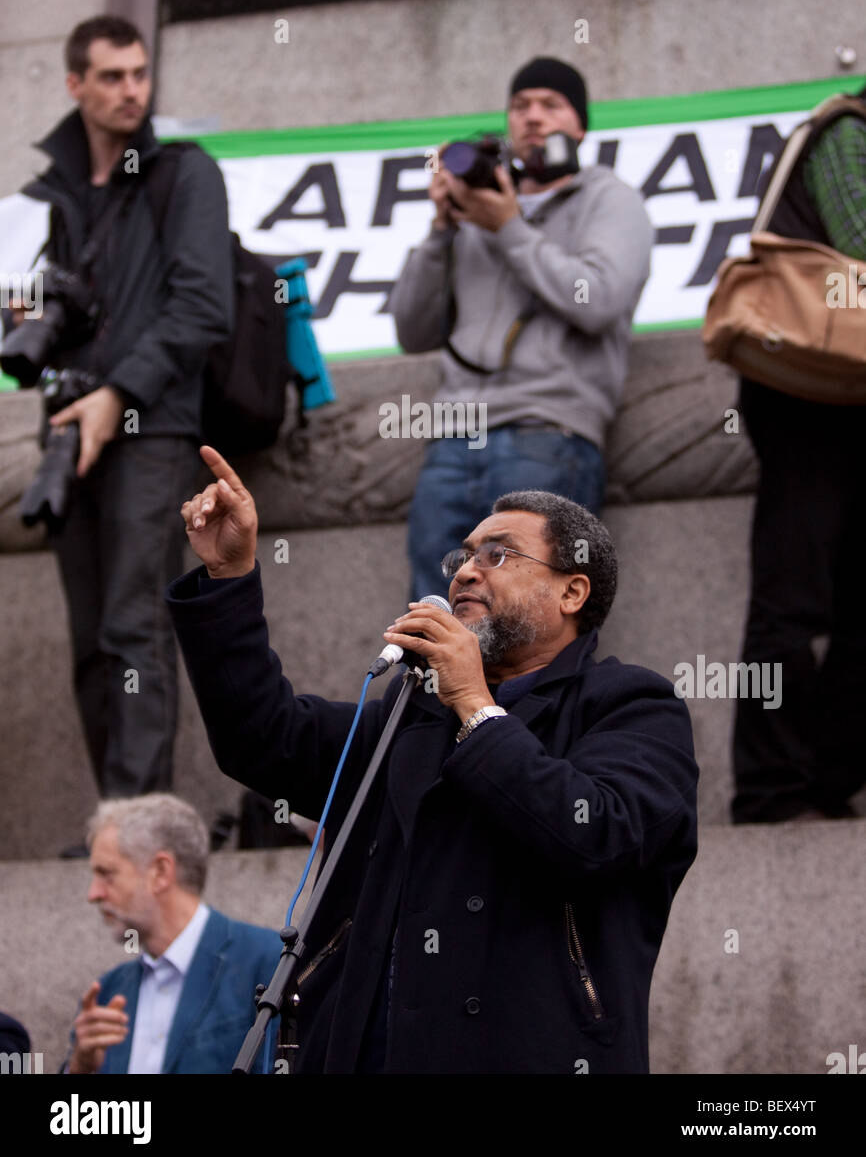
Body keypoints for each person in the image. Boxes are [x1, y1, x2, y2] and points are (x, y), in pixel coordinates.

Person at [166, 445, 698, 1075]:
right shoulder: (408, 714)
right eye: (463, 556)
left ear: (572, 591)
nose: (466, 572)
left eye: (497, 555)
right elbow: (263, 736)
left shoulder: (632, 706)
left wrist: (475, 704)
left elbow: (593, 837)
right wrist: (230, 578)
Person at [19, 16, 234, 834]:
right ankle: (115, 826)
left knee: (132, 624)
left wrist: (119, 393)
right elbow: (24, 336)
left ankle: (137, 827)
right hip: (69, 427)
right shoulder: (47, 198)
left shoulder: (184, 174)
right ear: (74, 84)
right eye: (110, 76)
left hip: (152, 424)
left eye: (139, 73)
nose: (130, 90)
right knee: (88, 644)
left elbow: (201, 307)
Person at [390, 56, 654, 600]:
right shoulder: (473, 213)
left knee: (528, 622)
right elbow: (412, 330)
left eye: (550, 105)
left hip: (547, 436)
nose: (532, 117)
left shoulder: (609, 199)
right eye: (520, 106)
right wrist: (442, 230)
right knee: (436, 621)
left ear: (580, 125)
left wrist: (508, 228)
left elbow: (598, 299)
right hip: (452, 441)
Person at [732, 85, 866, 824]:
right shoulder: (845, 128)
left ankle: (828, 781)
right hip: (807, 392)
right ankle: (771, 788)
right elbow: (859, 237)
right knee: (790, 601)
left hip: (853, 389)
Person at [65, 794, 282, 1074]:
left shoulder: (267, 962)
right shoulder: (107, 992)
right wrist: (80, 1067)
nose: (93, 894)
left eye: (107, 874)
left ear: (160, 872)